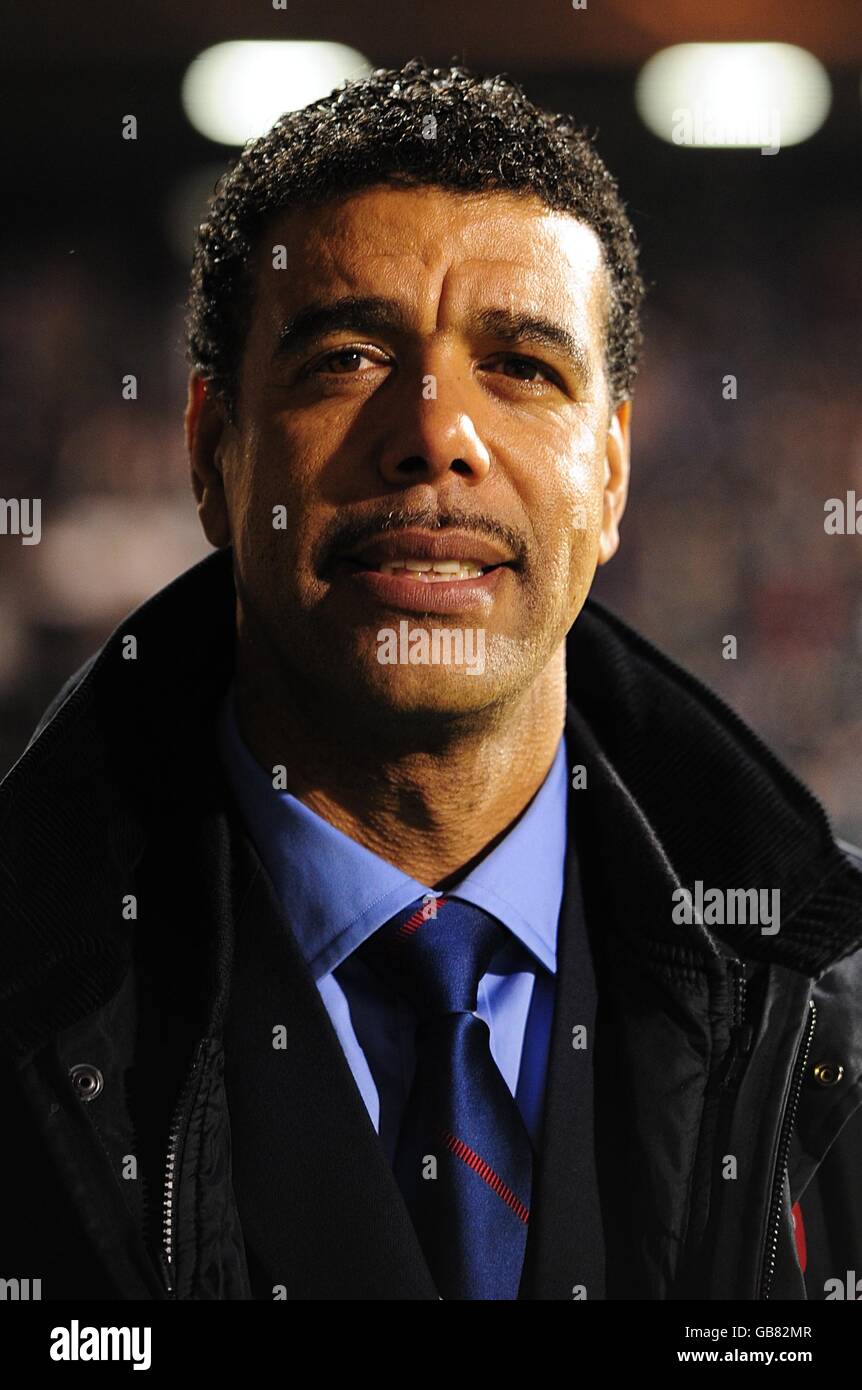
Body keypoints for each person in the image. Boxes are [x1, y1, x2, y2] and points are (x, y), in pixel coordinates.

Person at [2, 60, 860, 1302]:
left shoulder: (828, 1019)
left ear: (610, 474)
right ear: (208, 452)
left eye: (519, 365)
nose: (434, 431)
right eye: (346, 355)